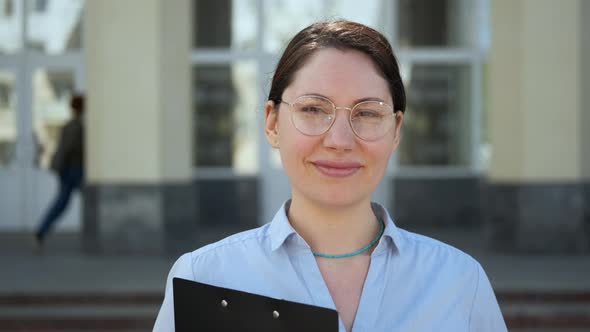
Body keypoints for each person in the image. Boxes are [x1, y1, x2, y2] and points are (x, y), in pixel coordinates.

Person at [154, 20, 507, 331]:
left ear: (396, 130)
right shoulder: (204, 278)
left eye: (368, 113)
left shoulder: (460, 283)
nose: (339, 141)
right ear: (273, 123)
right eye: (312, 109)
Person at [35, 94, 85, 246]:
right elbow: (68, 148)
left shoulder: (71, 125)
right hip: (73, 170)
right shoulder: (76, 126)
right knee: (69, 202)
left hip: (71, 170)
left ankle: (41, 230)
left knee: (62, 202)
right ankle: (41, 230)